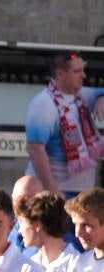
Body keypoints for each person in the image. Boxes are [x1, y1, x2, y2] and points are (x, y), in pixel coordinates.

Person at [25, 51, 104, 197]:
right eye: (77, 71)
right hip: (54, 192)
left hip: (82, 192)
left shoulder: (83, 95)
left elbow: (100, 93)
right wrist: (52, 191)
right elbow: (35, 149)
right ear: (60, 74)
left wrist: (101, 98)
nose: (84, 76)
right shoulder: (43, 104)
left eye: (83, 70)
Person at [9, 174, 44, 251]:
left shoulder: (50, 237)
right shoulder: (4, 231)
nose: (26, 205)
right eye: (20, 200)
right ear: (12, 200)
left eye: (32, 200)